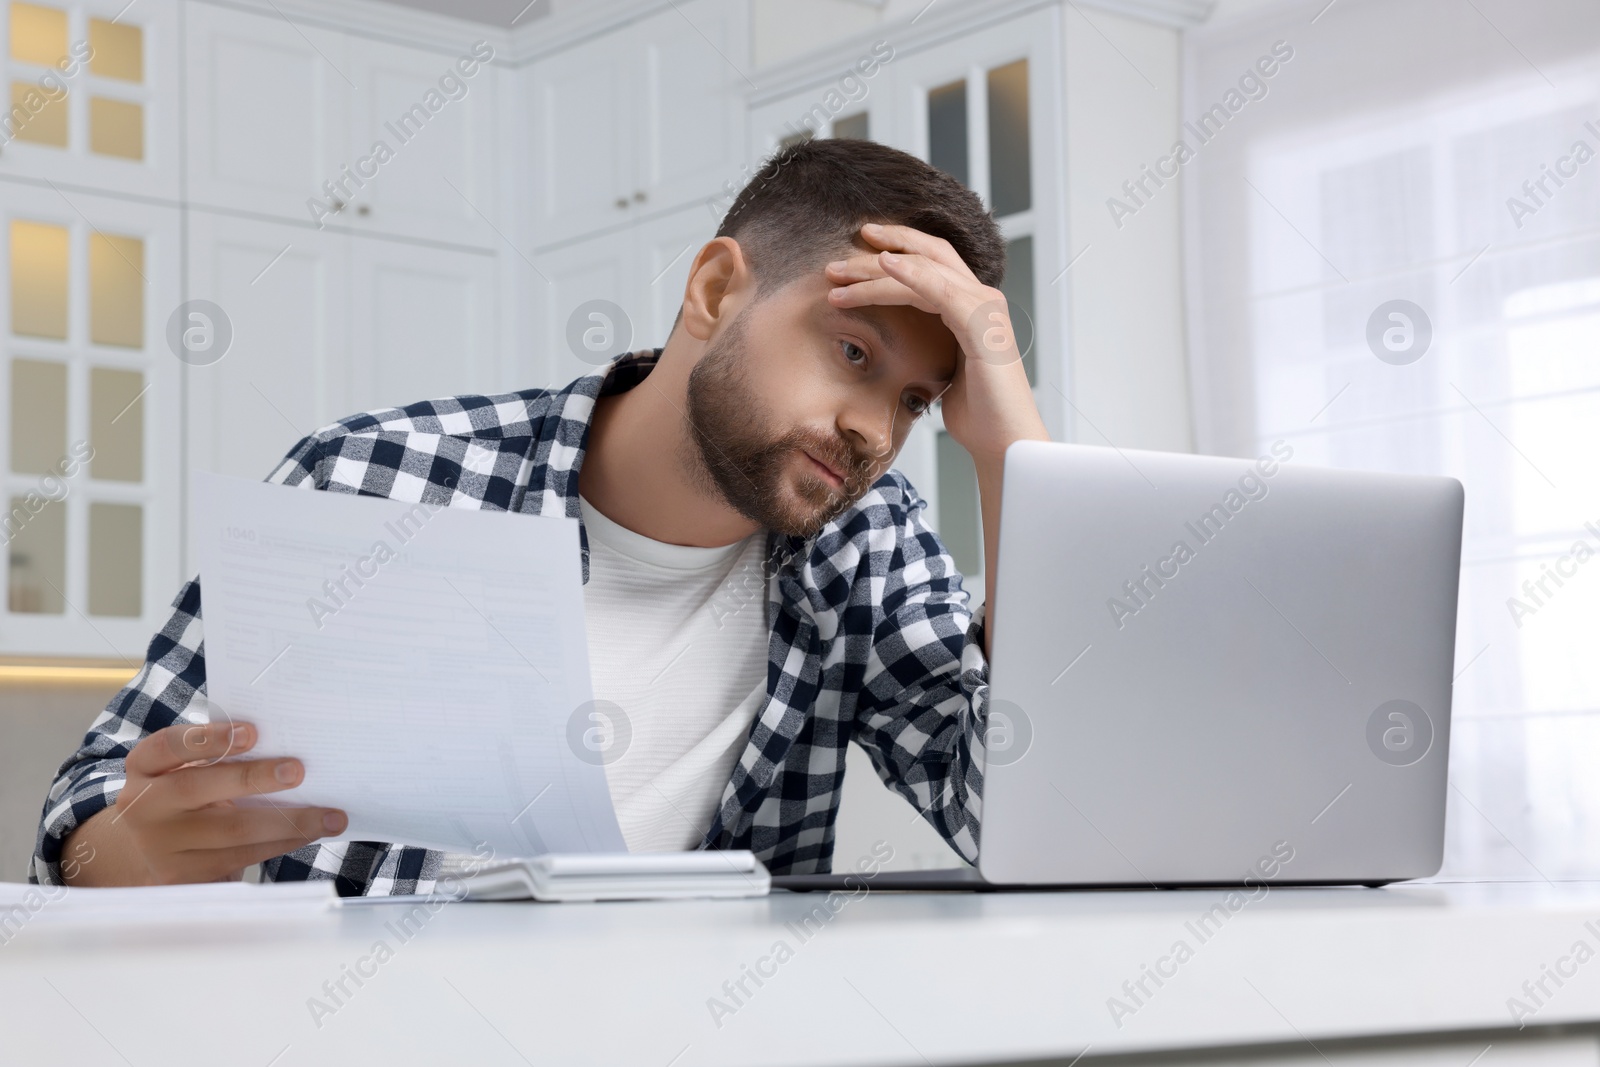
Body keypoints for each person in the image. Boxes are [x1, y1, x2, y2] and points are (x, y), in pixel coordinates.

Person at [33, 137, 1050, 894]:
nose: (873, 429)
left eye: (918, 401)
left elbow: (1013, 818)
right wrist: (134, 847)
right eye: (856, 353)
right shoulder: (380, 478)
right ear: (712, 289)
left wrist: (1014, 459)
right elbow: (79, 822)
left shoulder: (866, 547)